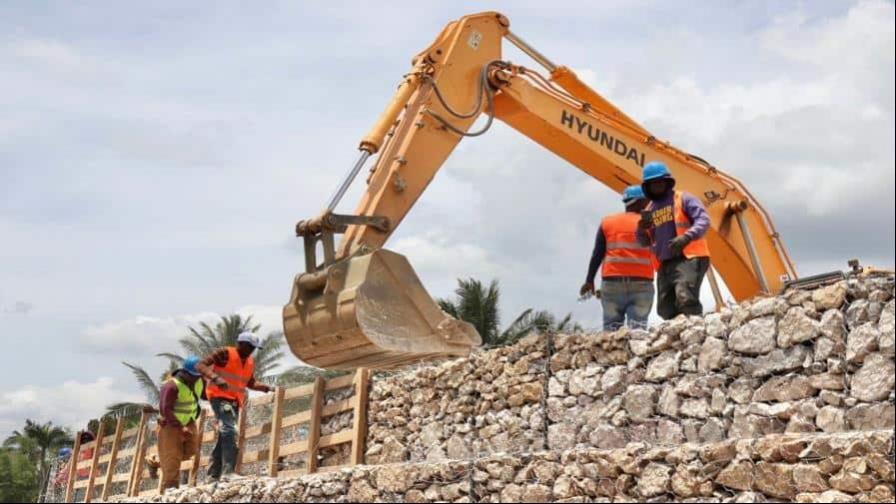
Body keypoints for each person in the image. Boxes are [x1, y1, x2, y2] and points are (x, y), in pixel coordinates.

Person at [637, 161, 711, 319]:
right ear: (647, 187)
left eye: (659, 182)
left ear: (667, 182)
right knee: (665, 309)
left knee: (685, 297)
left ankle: (696, 328)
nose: (656, 186)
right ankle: (677, 337)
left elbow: (703, 220)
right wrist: (642, 228)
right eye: (652, 184)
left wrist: (686, 237)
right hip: (665, 262)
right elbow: (644, 241)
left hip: (688, 257)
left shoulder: (683, 198)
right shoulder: (650, 209)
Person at [198, 332, 273, 481]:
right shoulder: (225, 353)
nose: (252, 350)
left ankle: (213, 475)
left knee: (225, 434)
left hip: (234, 401)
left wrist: (267, 388)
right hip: (219, 396)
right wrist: (215, 377)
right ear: (240, 344)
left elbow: (250, 383)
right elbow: (200, 365)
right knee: (229, 430)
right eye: (250, 346)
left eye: (254, 348)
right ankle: (228, 473)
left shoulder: (250, 362)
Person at [580, 185, 656, 330]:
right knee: (638, 330)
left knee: (611, 329)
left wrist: (589, 280)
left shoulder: (607, 223)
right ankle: (636, 352)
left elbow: (598, 253)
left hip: (612, 283)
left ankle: (612, 352)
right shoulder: (650, 224)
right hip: (642, 283)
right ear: (641, 201)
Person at [156, 356, 205, 493]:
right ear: (185, 373)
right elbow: (165, 409)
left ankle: (155, 460)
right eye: (194, 376)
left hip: (188, 422)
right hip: (170, 425)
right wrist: (179, 427)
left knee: (191, 451)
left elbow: (206, 395)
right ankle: (170, 490)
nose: (197, 378)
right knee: (172, 458)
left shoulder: (199, 381)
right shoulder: (171, 386)